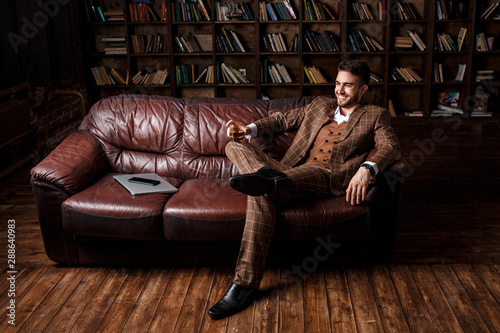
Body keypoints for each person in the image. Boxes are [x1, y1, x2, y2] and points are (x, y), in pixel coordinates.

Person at [208, 59, 401, 320]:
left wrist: (368, 168)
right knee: (234, 146)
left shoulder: (376, 114)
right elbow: (282, 120)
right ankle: (263, 175)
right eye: (337, 84)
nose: (339, 91)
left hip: (325, 174)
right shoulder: (321, 104)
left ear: (364, 89)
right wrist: (248, 129)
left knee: (261, 190)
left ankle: (243, 285)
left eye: (348, 86)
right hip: (285, 169)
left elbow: (390, 147)